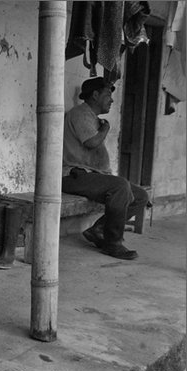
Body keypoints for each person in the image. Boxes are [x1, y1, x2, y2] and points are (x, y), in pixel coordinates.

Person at [62, 77, 149, 260]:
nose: (111, 100)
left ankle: (99, 229)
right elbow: (92, 142)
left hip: (90, 177)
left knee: (140, 196)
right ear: (95, 95)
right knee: (120, 186)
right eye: (108, 94)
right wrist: (105, 129)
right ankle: (113, 244)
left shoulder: (92, 117)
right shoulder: (80, 113)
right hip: (73, 176)